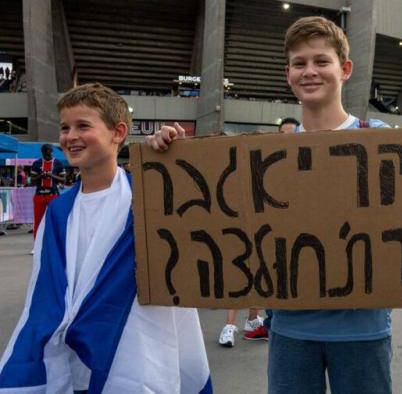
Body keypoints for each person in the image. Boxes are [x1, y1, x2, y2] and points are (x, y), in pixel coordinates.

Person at [147, 16, 402, 394]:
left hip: (363, 333)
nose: (310, 71)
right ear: (287, 73)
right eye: (300, 63)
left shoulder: (381, 140)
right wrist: (170, 152)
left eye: (321, 61)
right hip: (290, 332)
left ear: (345, 69)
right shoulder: (268, 154)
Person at [0, 83, 211, 392]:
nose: (70, 136)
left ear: (118, 132)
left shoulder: (147, 198)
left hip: (135, 349)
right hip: (73, 355)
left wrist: (175, 157)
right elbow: (44, 291)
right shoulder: (59, 212)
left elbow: (200, 214)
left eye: (83, 126)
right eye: (65, 127)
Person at [242, 117, 300, 343]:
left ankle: (272, 324)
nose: (286, 136)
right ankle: (270, 324)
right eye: (282, 132)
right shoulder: (268, 163)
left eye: (291, 132)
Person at [29, 143, 66, 238]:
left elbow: (63, 179)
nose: (48, 155)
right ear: (42, 153)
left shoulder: (58, 163)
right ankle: (36, 245)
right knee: (38, 220)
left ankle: (56, 243)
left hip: (53, 195)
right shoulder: (36, 163)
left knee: (55, 219)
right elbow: (32, 181)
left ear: (52, 152)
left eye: (50, 153)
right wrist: (41, 175)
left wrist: (51, 175)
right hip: (40, 194)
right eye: (46, 154)